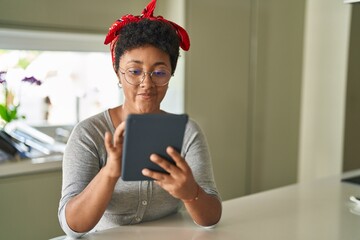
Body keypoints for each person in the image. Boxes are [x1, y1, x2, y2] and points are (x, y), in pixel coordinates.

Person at [58, 0, 222, 238]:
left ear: (170, 75)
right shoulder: (89, 134)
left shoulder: (188, 133)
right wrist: (110, 173)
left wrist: (191, 193)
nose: (147, 83)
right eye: (134, 71)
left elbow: (212, 218)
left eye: (159, 72)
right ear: (118, 73)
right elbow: (72, 227)